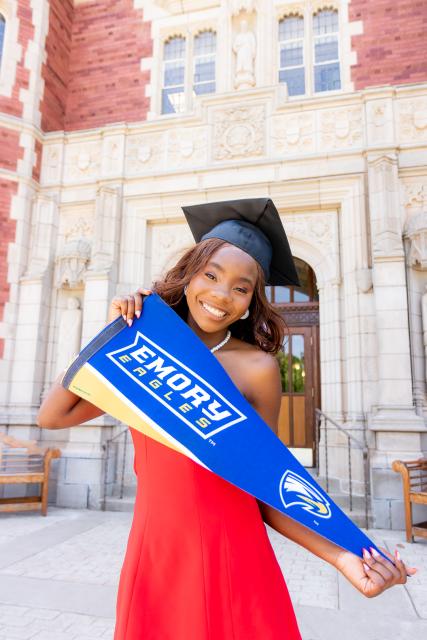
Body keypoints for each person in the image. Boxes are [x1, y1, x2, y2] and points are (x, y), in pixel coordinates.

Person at [38, 198, 417, 640]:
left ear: (253, 299)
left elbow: (269, 485)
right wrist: (113, 340)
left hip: (233, 555)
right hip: (157, 555)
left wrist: (344, 558)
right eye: (211, 275)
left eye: (241, 287)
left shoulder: (257, 368)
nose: (220, 295)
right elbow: (53, 413)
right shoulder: (144, 356)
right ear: (189, 274)